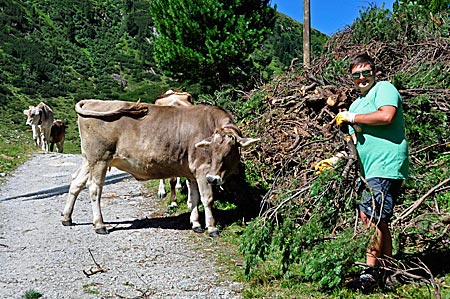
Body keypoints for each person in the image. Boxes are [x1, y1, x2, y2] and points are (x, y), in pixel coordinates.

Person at [329, 53, 409, 291]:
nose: (362, 78)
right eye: (356, 75)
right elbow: (358, 139)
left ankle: (369, 272)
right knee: (376, 218)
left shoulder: (384, 89)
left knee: (371, 216)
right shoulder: (357, 103)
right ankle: (387, 269)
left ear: (374, 72)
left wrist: (352, 117)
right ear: (351, 77)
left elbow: (386, 116)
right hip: (369, 166)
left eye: (366, 73)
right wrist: (341, 154)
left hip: (386, 162)